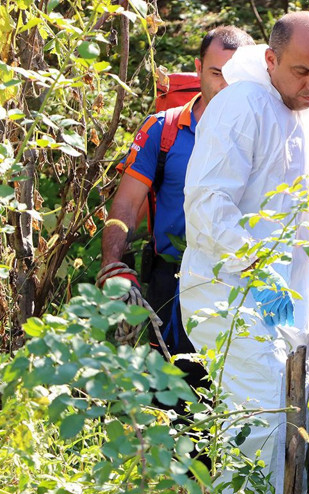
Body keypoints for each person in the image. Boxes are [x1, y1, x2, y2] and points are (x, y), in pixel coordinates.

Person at [177, 12, 309, 494]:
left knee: (288, 427)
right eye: (304, 72)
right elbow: (208, 207)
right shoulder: (241, 105)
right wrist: (258, 270)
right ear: (271, 60)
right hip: (233, 297)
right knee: (260, 431)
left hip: (284, 303)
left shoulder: (299, 103)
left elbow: (295, 185)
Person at [100, 26, 255, 396]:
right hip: (172, 285)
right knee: (171, 400)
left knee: (236, 399)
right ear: (199, 68)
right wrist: (112, 264)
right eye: (217, 73)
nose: (225, 86)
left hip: (243, 286)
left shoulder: (266, 132)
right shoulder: (164, 130)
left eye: (236, 76)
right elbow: (126, 203)